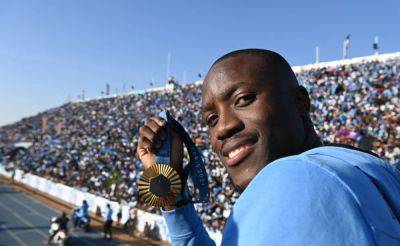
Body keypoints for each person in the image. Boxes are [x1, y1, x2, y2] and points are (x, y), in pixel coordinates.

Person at [137, 49, 400, 245]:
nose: (223, 128)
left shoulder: (292, 178)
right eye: (211, 120)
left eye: (244, 99)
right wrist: (174, 201)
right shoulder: (364, 168)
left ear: (299, 102)